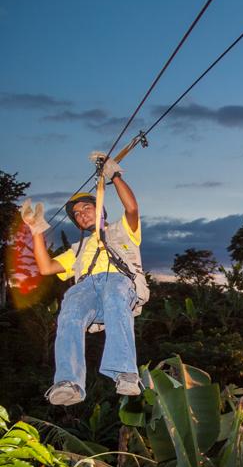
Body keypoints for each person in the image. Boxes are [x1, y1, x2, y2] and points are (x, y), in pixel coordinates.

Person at [19, 152, 149, 406]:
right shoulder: (77, 249)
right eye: (77, 214)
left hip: (119, 282)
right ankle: (69, 382)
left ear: (99, 208)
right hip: (88, 287)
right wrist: (35, 231)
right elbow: (45, 268)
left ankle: (125, 372)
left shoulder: (122, 230)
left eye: (87, 208)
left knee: (113, 292)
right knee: (70, 309)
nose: (82, 214)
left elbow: (131, 207)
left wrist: (115, 176)